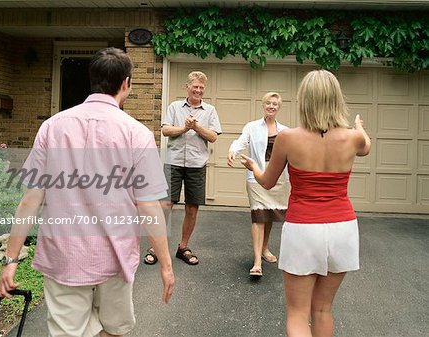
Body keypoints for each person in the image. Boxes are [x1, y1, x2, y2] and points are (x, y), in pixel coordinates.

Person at [0, 47, 174, 337]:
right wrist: (166, 264)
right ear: (126, 83)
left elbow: (31, 199)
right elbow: (149, 206)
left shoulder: (52, 128)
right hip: (115, 257)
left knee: (68, 332)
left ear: (92, 80)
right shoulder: (137, 133)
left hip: (63, 255)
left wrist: (11, 260)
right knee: (115, 330)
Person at [240, 70, 371, 337]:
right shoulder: (353, 138)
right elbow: (366, 146)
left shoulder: (289, 138)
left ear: (305, 100)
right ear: (336, 99)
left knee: (298, 314)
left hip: (303, 228)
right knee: (323, 309)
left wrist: (254, 166)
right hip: (343, 228)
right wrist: (358, 127)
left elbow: (267, 182)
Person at [144, 71, 222, 266]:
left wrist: (196, 127)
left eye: (201, 87)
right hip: (173, 162)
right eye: (195, 86)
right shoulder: (175, 107)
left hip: (197, 164)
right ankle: (156, 247)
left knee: (192, 208)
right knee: (165, 206)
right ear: (187, 87)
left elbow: (213, 136)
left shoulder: (210, 110)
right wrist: (185, 128)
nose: (198, 90)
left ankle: (183, 247)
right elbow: (165, 130)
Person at [227, 92, 290, 278]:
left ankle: (264, 248)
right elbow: (241, 141)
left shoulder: (286, 131)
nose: (271, 106)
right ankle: (256, 262)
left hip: (279, 177)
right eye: (268, 103)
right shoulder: (252, 127)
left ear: (279, 108)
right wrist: (233, 151)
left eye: (275, 104)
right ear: (263, 105)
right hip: (257, 175)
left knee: (269, 214)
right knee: (258, 215)